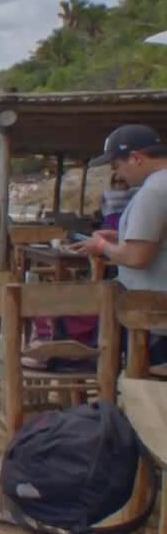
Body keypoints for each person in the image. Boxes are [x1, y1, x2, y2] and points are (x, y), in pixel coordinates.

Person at [71, 124, 167, 365]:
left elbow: (137, 257)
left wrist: (102, 246)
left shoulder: (154, 191)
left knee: (150, 392)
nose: (119, 174)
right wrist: (120, 236)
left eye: (117, 166)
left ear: (136, 158)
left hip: (153, 312)